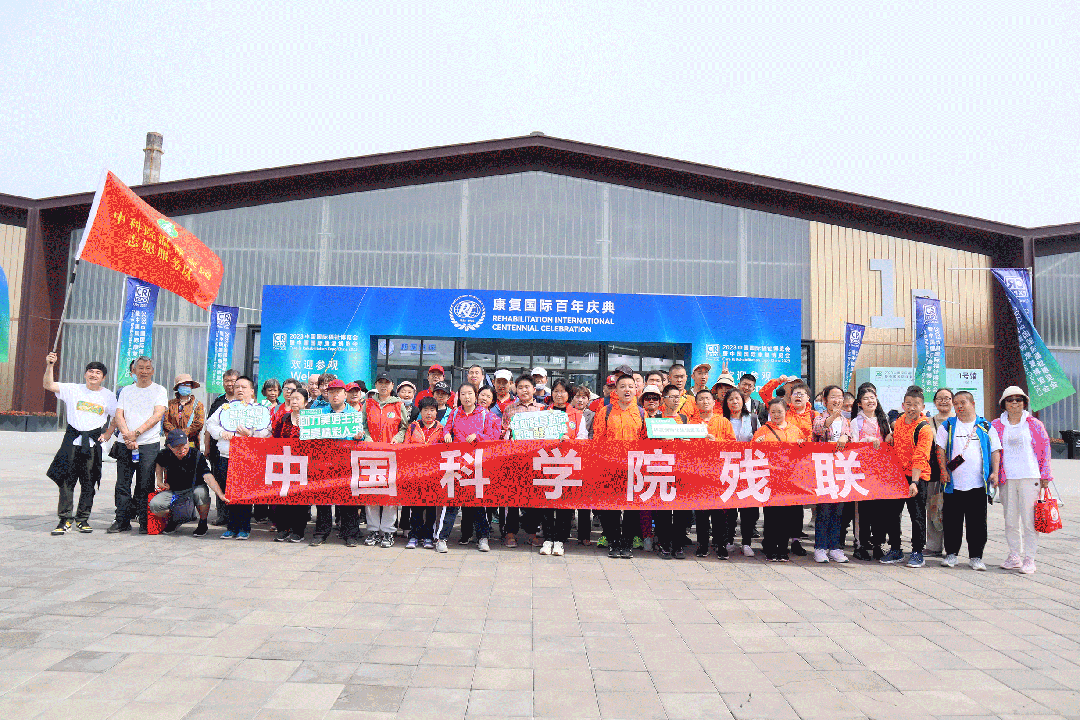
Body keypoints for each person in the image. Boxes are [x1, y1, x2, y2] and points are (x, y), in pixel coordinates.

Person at [44, 352, 116, 535]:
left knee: (89, 483)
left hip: (92, 443)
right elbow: (48, 385)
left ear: (103, 378)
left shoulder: (108, 396)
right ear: (85, 374)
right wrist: (50, 365)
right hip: (72, 441)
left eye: (98, 373)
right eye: (90, 371)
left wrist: (108, 433)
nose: (93, 375)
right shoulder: (73, 389)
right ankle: (64, 519)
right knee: (66, 481)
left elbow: (117, 416)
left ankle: (83, 519)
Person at [936, 390, 1001, 571]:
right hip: (953, 484)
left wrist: (995, 473)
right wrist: (943, 471)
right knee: (951, 521)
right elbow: (940, 449)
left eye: (963, 402)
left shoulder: (986, 426)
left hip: (978, 484)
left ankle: (976, 557)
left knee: (977, 523)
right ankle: (951, 554)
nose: (959, 406)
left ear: (972, 403)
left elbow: (995, 450)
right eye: (956, 403)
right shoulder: (948, 425)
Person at [991, 386, 1053, 575]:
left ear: (1024, 403)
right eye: (1010, 400)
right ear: (1004, 404)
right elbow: (993, 450)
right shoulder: (996, 425)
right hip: (1007, 478)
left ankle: (1029, 558)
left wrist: (1045, 476)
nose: (1014, 403)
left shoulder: (1034, 424)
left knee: (1029, 521)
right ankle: (1014, 556)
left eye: (1018, 399)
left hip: (1030, 477)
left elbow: (1045, 450)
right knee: (1010, 520)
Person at [205, 375, 272, 539]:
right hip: (226, 455)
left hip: (247, 457)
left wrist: (250, 434)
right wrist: (222, 433)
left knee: (245, 493)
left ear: (252, 391)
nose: (240, 390)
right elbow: (210, 424)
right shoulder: (225, 409)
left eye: (243, 387)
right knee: (228, 492)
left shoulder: (259, 410)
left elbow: (267, 431)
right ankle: (231, 526)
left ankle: (244, 527)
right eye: (237, 387)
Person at [438, 383, 500, 552]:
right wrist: (446, 434)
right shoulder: (454, 413)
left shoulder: (485, 415)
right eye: (463, 394)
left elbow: (493, 437)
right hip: (456, 464)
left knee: (478, 504)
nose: (467, 397)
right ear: (459, 396)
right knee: (451, 503)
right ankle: (442, 538)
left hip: (476, 465)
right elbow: (446, 429)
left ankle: (483, 538)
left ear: (476, 395)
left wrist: (478, 436)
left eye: (470, 393)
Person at [591, 373, 647, 559]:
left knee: (632, 508)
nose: (627, 390)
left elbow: (645, 440)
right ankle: (613, 541)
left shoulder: (641, 413)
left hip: (634, 467)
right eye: (622, 386)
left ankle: (627, 543)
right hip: (610, 466)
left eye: (631, 386)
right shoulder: (605, 411)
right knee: (611, 507)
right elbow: (598, 439)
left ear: (636, 390)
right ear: (615, 390)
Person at [109, 356, 168, 534]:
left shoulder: (159, 390)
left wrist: (136, 433)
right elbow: (119, 414)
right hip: (125, 443)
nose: (144, 371)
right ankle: (122, 521)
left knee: (145, 484)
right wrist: (127, 436)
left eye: (147, 368)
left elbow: (157, 415)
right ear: (133, 370)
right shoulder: (126, 391)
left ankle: (144, 521)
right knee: (122, 484)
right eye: (140, 368)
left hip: (148, 444)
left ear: (153, 371)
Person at [878, 385, 934, 567]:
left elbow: (920, 456)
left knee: (917, 515)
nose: (912, 408)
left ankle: (917, 551)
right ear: (903, 405)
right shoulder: (901, 421)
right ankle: (895, 549)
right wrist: (891, 436)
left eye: (916, 404)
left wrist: (915, 482)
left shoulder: (924, 428)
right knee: (892, 514)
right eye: (908, 404)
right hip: (898, 475)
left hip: (917, 477)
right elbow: (898, 441)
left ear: (922, 406)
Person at [537, 378, 588, 557]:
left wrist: (570, 441)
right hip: (547, 463)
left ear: (569, 394)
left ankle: (560, 540)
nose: (559, 395)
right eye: (556, 391)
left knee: (565, 503)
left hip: (567, 464)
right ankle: (548, 538)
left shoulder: (577, 415)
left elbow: (583, 438)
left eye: (563, 391)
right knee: (547, 502)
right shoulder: (543, 412)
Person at [150, 429, 227, 537]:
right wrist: (159, 480)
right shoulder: (165, 454)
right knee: (155, 505)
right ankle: (176, 519)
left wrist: (220, 494)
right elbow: (159, 463)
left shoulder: (196, 455)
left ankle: (203, 522)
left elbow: (208, 476)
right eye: (177, 447)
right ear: (170, 447)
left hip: (193, 489)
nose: (181, 449)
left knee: (201, 493)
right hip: (174, 492)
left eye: (184, 445)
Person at [753, 398, 804, 561]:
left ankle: (783, 548)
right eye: (773, 412)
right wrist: (756, 444)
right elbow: (752, 453)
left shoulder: (795, 430)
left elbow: (804, 453)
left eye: (779, 411)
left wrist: (802, 444)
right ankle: (769, 547)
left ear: (786, 412)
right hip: (770, 480)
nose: (776, 415)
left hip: (789, 480)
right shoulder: (762, 431)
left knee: (787, 516)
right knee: (771, 516)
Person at [360, 371, 407, 547]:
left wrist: (398, 438)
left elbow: (404, 427)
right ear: (376, 385)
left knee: (390, 495)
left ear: (392, 386)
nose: (383, 386)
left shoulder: (398, 404)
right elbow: (362, 426)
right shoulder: (368, 404)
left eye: (387, 383)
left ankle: (388, 531)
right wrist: (367, 438)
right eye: (380, 382)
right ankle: (373, 530)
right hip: (371, 455)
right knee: (371, 493)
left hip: (391, 456)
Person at [500, 374, 548, 547]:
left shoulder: (543, 409)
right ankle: (510, 533)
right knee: (512, 498)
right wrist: (509, 434)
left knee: (534, 498)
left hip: (536, 460)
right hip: (515, 460)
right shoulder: (509, 409)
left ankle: (532, 533)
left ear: (534, 389)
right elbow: (503, 434)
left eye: (527, 387)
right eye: (520, 387)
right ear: (516, 390)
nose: (524, 390)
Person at [690, 388, 736, 559]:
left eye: (707, 399)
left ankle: (721, 544)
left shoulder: (723, 421)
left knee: (720, 512)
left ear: (714, 402)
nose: (705, 402)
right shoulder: (691, 424)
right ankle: (702, 544)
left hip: (719, 473)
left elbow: (733, 445)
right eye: (701, 399)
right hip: (699, 474)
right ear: (696, 404)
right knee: (701, 513)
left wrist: (717, 441)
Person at [849, 386, 892, 560]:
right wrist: (867, 440)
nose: (870, 401)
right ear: (859, 403)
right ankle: (860, 544)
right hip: (862, 471)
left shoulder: (883, 419)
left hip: (881, 471)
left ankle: (878, 543)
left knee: (880, 511)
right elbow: (853, 445)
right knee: (863, 510)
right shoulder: (856, 422)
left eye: (872, 397)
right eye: (866, 398)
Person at [811, 385, 852, 563]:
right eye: (833, 397)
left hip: (841, 470)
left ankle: (835, 547)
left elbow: (849, 438)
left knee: (838, 511)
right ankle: (820, 547)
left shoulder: (845, 421)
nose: (837, 400)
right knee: (824, 510)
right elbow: (819, 430)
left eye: (840, 397)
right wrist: (833, 416)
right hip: (824, 469)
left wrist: (845, 437)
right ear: (825, 400)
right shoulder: (819, 417)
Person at [721, 388, 760, 556]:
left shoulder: (752, 419)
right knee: (729, 507)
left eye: (737, 398)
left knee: (747, 508)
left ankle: (746, 542)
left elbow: (759, 439)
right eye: (730, 399)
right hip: (727, 468)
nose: (734, 402)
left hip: (747, 468)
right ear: (726, 402)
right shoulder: (721, 420)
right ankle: (728, 539)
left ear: (743, 401)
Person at [405, 396, 446, 551]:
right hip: (415, 473)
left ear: (436, 412)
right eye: (425, 410)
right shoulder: (413, 427)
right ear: (420, 411)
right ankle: (414, 535)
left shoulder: (441, 429)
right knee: (416, 507)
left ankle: (428, 536)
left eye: (432, 410)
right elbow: (405, 448)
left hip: (433, 474)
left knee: (430, 508)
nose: (429, 413)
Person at [270, 387, 310, 542]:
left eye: (298, 399)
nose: (294, 401)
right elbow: (274, 438)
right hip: (285, 463)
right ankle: (282, 528)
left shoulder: (312, 419)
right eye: (292, 398)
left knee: (299, 498)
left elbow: (316, 441)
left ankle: (298, 530)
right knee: (283, 496)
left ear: (305, 402)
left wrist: (304, 426)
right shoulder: (283, 418)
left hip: (303, 464)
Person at [922, 388, 954, 557]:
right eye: (940, 398)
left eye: (947, 398)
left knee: (953, 510)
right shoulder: (927, 422)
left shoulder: (958, 421)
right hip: (933, 472)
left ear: (953, 401)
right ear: (934, 402)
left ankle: (951, 547)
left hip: (956, 472)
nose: (944, 401)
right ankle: (933, 546)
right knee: (933, 507)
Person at [204, 368, 239, 525]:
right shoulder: (218, 402)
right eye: (227, 381)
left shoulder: (244, 402)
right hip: (217, 450)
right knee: (219, 481)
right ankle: (222, 514)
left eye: (233, 381)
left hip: (237, 451)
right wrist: (207, 447)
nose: (230, 384)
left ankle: (235, 516)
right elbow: (208, 426)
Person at [163, 374, 204, 451]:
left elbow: (199, 422)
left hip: (191, 442)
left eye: (187, 384)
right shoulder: (170, 404)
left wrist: (185, 432)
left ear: (191, 387)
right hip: (173, 442)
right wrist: (176, 433)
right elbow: (165, 421)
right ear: (178, 387)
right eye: (182, 385)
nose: (185, 386)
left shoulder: (198, 405)